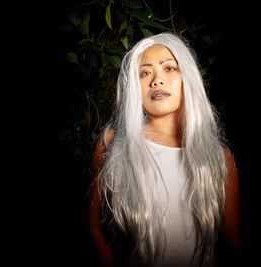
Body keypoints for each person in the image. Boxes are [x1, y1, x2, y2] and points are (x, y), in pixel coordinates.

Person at [89, 32, 240, 267]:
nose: (157, 80)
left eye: (169, 68)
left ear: (186, 77)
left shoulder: (219, 156)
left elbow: (234, 238)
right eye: (145, 72)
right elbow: (93, 224)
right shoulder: (111, 144)